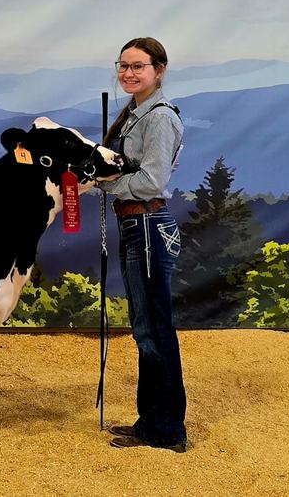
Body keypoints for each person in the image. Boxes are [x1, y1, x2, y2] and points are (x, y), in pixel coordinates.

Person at [99, 37, 187, 453]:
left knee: (154, 330)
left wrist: (108, 184)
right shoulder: (135, 114)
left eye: (139, 66)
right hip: (136, 225)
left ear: (159, 70)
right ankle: (149, 421)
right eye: (124, 66)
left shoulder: (160, 117)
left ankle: (168, 430)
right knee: (144, 329)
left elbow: (152, 181)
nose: (129, 73)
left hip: (149, 225)